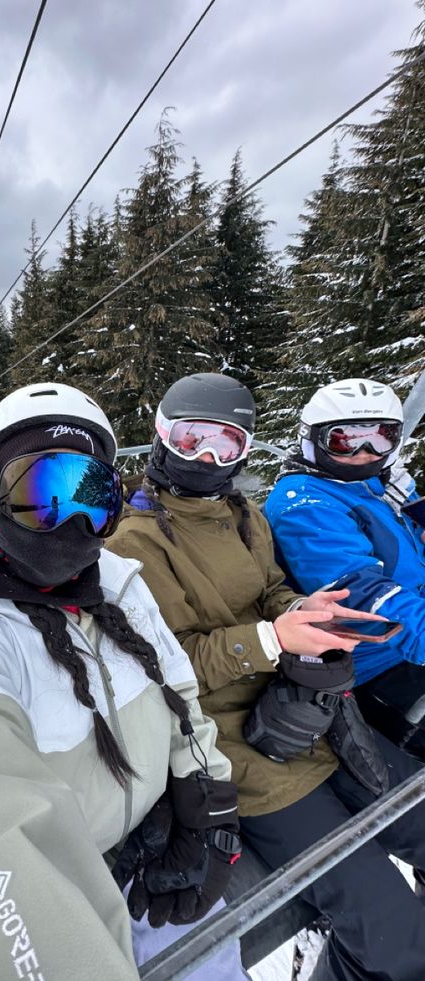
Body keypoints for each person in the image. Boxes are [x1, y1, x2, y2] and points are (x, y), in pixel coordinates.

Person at [0, 383, 247, 981]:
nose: (72, 521)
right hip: (57, 878)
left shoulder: (119, 581)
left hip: (155, 852)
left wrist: (207, 798)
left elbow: (180, 693)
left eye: (92, 495)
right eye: (40, 494)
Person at [106, 372, 425, 981]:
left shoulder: (244, 513)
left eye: (226, 444)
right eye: (193, 438)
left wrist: (299, 612)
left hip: (315, 715)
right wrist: (271, 639)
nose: (208, 456)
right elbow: (163, 668)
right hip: (235, 752)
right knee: (395, 937)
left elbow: (273, 589)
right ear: (161, 436)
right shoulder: (134, 542)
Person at [265, 377, 425, 758]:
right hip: (378, 661)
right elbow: (363, 596)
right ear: (312, 440)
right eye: (345, 440)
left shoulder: (377, 484)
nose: (365, 452)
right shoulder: (302, 502)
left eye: (382, 438)